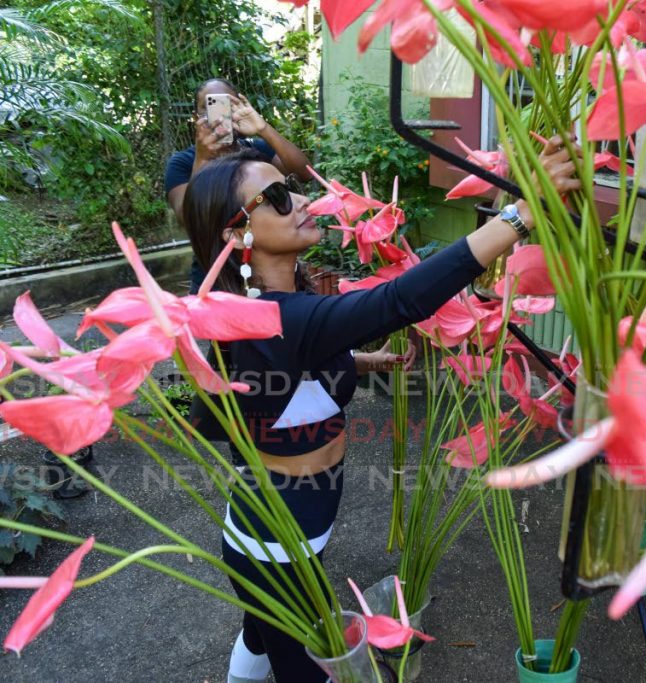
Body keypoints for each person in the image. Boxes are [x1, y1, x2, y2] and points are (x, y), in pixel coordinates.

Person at [181, 138, 581, 682]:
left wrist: (368, 360)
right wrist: (520, 215)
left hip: (297, 523)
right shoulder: (270, 317)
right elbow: (398, 302)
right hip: (274, 538)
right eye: (275, 197)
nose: (300, 201)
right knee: (308, 669)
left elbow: (300, 365)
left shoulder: (270, 313)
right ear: (236, 235)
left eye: (292, 189)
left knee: (260, 632)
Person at [165, 78, 313, 294]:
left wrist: (263, 129)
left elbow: (304, 172)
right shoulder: (183, 162)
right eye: (207, 108)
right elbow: (190, 218)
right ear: (196, 116)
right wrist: (202, 158)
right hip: (216, 279)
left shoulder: (256, 150)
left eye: (227, 104)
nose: (217, 114)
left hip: (271, 272)